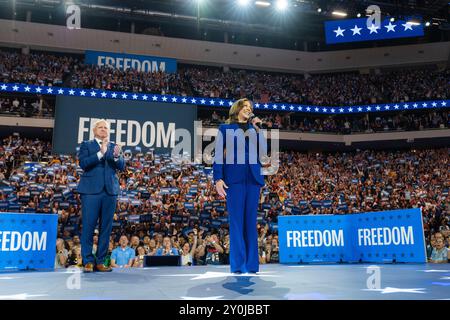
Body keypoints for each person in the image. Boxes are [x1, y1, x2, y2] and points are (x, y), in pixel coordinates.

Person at [213, 98, 266, 274]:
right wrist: (218, 179)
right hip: (233, 180)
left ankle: (252, 265)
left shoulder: (254, 129)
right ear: (237, 109)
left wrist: (259, 129)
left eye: (250, 108)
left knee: (251, 222)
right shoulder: (225, 128)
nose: (249, 110)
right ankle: (238, 265)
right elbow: (218, 155)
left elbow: (263, 151)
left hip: (252, 179)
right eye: (245, 107)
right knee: (236, 222)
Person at [77, 119, 125, 272]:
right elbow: (83, 164)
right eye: (101, 127)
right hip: (91, 191)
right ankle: (88, 262)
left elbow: (122, 166)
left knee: (106, 228)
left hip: (110, 191)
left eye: (106, 127)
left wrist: (117, 157)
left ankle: (101, 261)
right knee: (89, 227)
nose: (104, 129)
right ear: (94, 130)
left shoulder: (114, 147)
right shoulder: (86, 145)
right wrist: (100, 153)